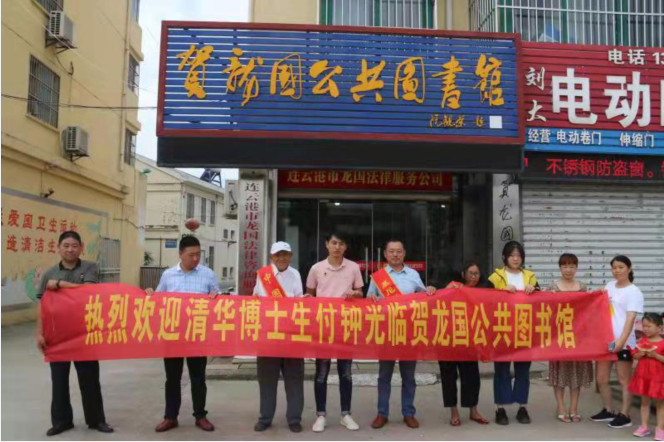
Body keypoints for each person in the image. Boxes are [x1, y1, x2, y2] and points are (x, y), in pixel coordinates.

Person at [36, 231, 113, 436]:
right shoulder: (49, 273)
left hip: (84, 333)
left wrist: (59, 285)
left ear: (81, 248)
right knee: (59, 381)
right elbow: (42, 306)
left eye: (74, 246)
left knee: (90, 379)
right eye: (66, 245)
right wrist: (40, 334)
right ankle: (62, 422)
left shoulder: (89, 267)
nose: (70, 249)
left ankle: (96, 420)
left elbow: (88, 292)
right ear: (58, 248)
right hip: (56, 335)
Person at [145, 235, 219, 433]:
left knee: (198, 378)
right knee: (172, 378)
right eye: (191, 255)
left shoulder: (208, 274)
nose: (195, 258)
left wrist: (216, 297)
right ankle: (170, 417)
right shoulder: (168, 275)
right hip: (173, 335)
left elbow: (219, 301)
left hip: (197, 335)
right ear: (180, 254)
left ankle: (200, 415)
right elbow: (158, 300)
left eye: (198, 254)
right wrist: (151, 294)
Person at [366, 240, 436, 430]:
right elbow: (369, 300)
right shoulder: (378, 277)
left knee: (408, 376)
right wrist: (371, 298)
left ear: (404, 253)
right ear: (385, 254)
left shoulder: (413, 275)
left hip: (408, 332)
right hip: (386, 332)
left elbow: (424, 297)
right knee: (384, 376)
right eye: (391, 251)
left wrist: (430, 290)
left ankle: (408, 413)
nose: (395, 255)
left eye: (398, 251)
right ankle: (382, 413)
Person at [306, 232, 364, 433]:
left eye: (341, 243)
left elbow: (361, 293)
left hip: (346, 327)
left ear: (345, 247)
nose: (337, 247)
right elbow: (310, 295)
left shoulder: (353, 267)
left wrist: (355, 293)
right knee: (321, 374)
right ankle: (320, 415)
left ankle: (346, 414)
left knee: (346, 373)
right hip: (323, 327)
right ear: (327, 245)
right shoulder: (316, 268)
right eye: (334, 243)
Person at [252, 241, 305, 433]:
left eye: (285, 254)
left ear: (290, 256)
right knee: (267, 381)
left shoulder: (296, 274)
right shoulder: (263, 275)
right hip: (268, 337)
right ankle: (265, 418)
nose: (281, 258)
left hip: (292, 337)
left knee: (294, 380)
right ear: (271, 257)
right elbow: (255, 301)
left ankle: (294, 419)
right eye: (277, 255)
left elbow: (300, 303)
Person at [488, 240, 539, 426]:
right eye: (511, 255)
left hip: (524, 329)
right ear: (505, 257)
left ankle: (522, 407)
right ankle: (500, 408)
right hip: (501, 329)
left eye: (518, 256)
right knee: (501, 370)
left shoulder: (530, 277)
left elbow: (542, 302)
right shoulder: (495, 277)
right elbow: (485, 300)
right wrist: (500, 291)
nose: (515, 259)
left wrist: (535, 289)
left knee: (523, 371)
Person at [591, 255, 644, 429]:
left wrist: (621, 341)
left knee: (623, 379)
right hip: (605, 341)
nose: (617, 270)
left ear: (629, 268)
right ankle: (608, 410)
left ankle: (625, 415)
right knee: (601, 378)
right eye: (614, 267)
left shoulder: (634, 292)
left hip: (624, 342)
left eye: (621, 267)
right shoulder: (609, 286)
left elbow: (630, 319)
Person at [440, 262, 490, 427]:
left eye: (476, 274)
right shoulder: (453, 287)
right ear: (463, 274)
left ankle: (473, 410)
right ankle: (454, 412)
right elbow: (438, 302)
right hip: (449, 339)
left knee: (472, 377)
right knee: (449, 377)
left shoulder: (483, 291)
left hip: (470, 341)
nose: (474, 277)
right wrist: (445, 290)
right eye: (470, 273)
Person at [546, 253, 593, 423]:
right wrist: (549, 298)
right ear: (560, 267)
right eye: (565, 266)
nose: (568, 270)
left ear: (576, 268)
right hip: (558, 337)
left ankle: (574, 408)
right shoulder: (553, 287)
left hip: (578, 338)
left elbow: (589, 311)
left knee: (576, 374)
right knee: (559, 373)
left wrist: (599, 295)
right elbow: (545, 312)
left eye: (572, 266)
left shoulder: (583, 287)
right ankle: (560, 406)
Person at [630, 313, 664, 439]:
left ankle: (660, 429)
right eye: (644, 326)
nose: (645, 329)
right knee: (644, 403)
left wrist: (656, 355)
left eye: (649, 326)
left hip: (659, 379)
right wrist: (639, 354)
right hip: (643, 377)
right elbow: (635, 356)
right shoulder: (642, 341)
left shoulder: (663, 343)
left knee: (660, 404)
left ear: (659, 327)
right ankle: (644, 426)